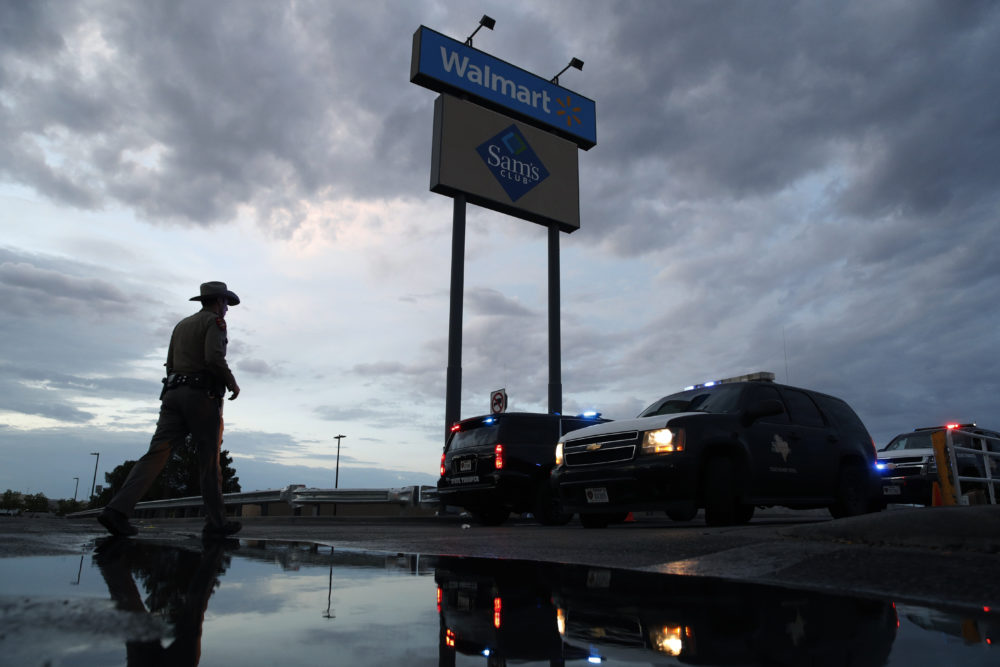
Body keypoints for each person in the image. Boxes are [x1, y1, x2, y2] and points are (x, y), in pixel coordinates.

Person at [98, 281, 242, 538]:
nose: (227, 310)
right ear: (219, 301)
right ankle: (217, 522)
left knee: (156, 454)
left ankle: (116, 510)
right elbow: (213, 358)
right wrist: (231, 382)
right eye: (226, 304)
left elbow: (170, 363)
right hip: (201, 397)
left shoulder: (181, 325)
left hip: (173, 394)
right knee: (209, 460)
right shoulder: (214, 323)